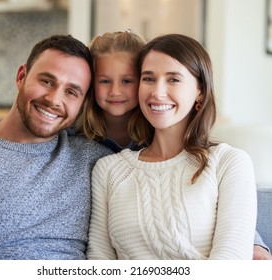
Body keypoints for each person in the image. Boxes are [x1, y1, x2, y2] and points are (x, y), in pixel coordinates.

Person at [0, 34, 113, 260]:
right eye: (47, 81)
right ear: (21, 76)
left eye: (71, 92)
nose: (54, 100)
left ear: (82, 104)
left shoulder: (97, 161)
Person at [86, 34, 258, 259]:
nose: (157, 92)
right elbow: (99, 260)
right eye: (148, 78)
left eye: (173, 79)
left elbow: (229, 263)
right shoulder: (107, 170)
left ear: (200, 91)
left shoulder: (229, 163)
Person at [74, 30, 153, 152]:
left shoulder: (156, 132)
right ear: (91, 82)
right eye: (105, 81)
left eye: (126, 81)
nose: (115, 92)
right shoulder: (74, 132)